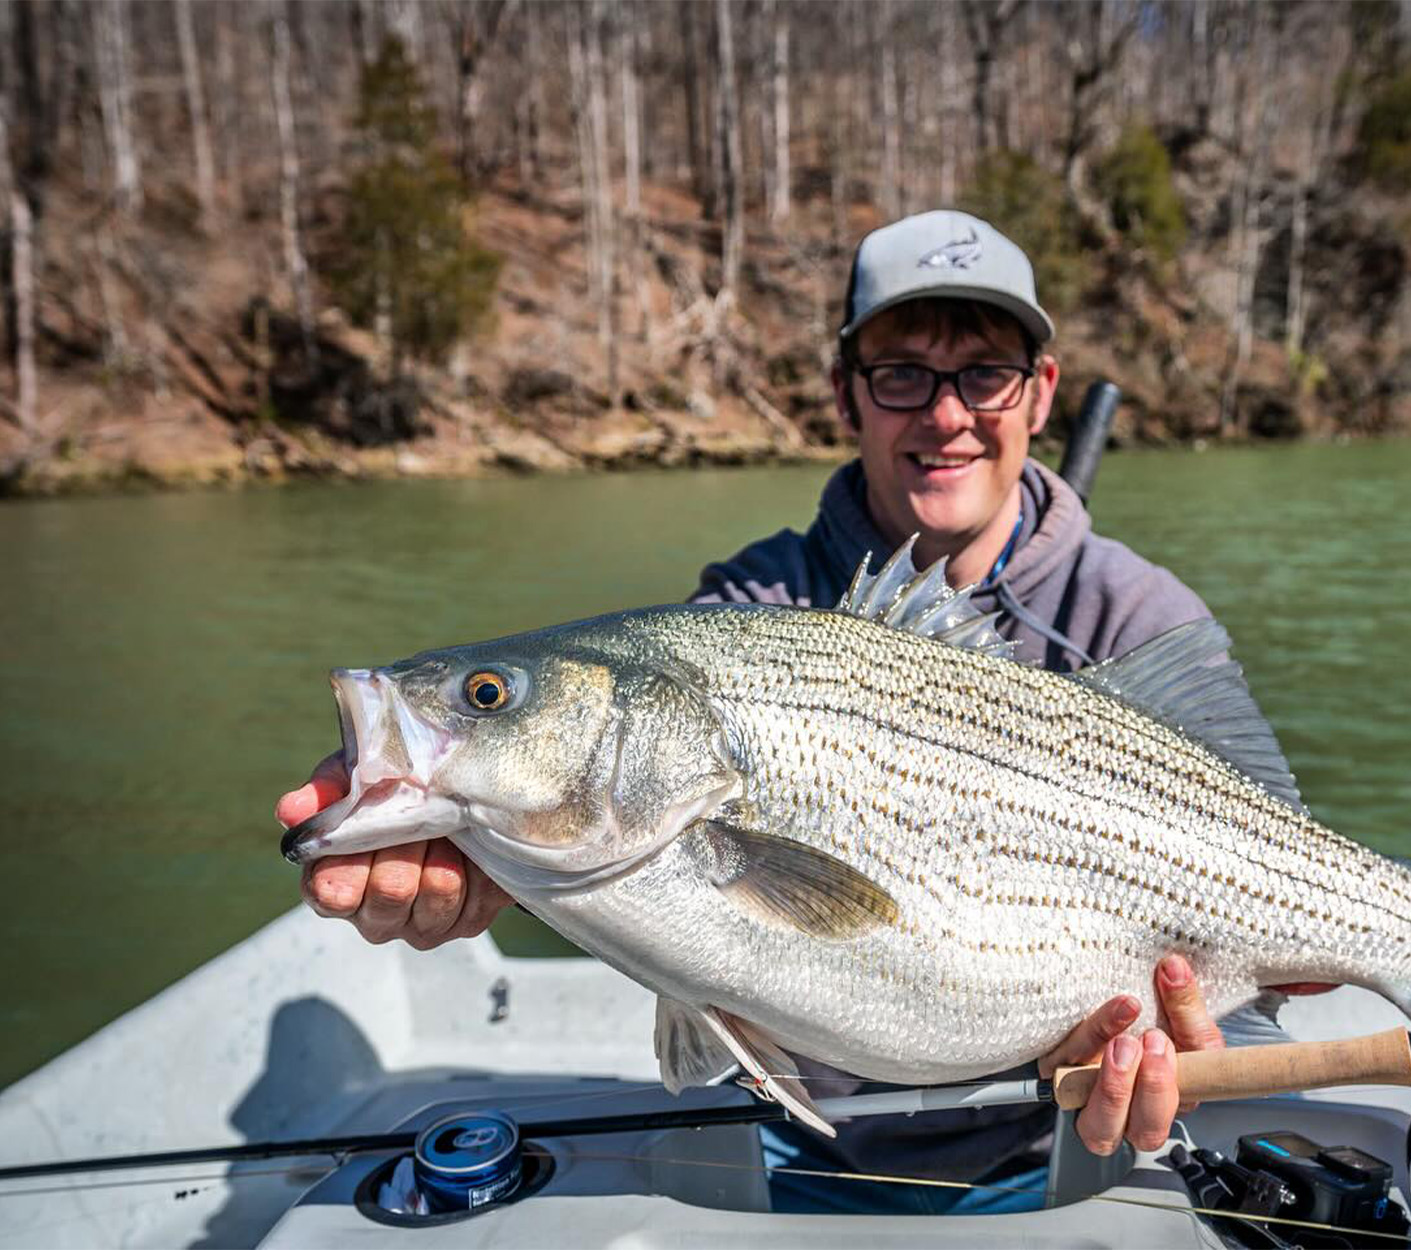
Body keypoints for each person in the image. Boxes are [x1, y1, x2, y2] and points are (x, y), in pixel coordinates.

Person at [276, 210, 1303, 1212]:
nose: (946, 414)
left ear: (1039, 393)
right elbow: (617, 851)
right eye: (901, 373)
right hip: (794, 1139)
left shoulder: (1137, 612)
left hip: (1067, 1152)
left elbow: (1255, 920)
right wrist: (478, 863)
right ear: (845, 393)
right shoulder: (745, 608)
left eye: (984, 373)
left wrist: (1186, 1040)